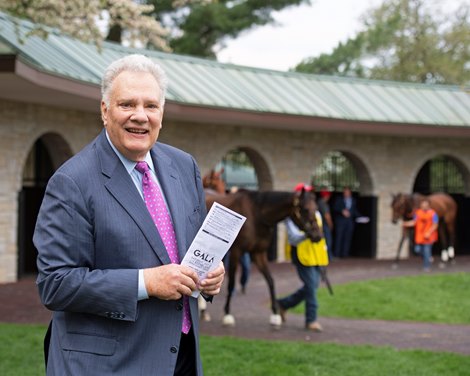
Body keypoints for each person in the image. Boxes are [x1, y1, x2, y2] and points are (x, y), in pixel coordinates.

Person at [33, 54, 225, 376]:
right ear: (105, 111)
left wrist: (210, 272)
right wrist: (146, 282)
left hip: (180, 357)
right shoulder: (72, 182)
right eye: (127, 105)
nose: (140, 116)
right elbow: (55, 283)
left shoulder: (184, 166)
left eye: (151, 105)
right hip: (107, 365)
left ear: (161, 113)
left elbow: (186, 247)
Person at [277, 183, 325, 332]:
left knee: (312, 287)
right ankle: (311, 320)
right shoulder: (291, 217)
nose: (309, 198)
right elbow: (293, 238)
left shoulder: (316, 213)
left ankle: (283, 304)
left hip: (317, 256)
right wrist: (307, 235)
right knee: (311, 288)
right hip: (302, 255)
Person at [403, 198, 438, 271]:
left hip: (428, 237)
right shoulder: (418, 213)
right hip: (419, 237)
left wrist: (429, 232)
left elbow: (435, 224)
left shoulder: (433, 214)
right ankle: (428, 257)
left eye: (425, 205)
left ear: (428, 205)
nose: (424, 206)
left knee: (426, 251)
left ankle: (426, 267)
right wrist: (406, 224)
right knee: (417, 250)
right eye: (422, 205)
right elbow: (414, 222)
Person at [333, 186, 359, 258]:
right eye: (344, 192)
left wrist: (360, 216)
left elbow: (354, 211)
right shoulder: (339, 199)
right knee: (339, 237)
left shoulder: (353, 200)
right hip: (340, 222)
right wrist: (342, 211)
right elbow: (335, 208)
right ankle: (337, 254)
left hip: (349, 222)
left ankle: (345, 254)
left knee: (348, 238)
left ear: (350, 193)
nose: (346, 193)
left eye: (347, 192)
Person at [317, 189, 334, 260]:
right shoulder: (323, 203)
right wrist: (331, 224)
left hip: (319, 225)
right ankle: (328, 257)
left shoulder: (318, 202)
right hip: (324, 225)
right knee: (328, 241)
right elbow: (327, 215)